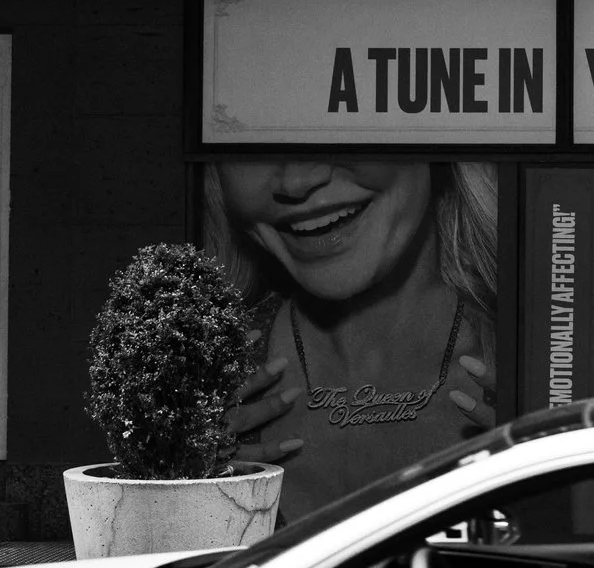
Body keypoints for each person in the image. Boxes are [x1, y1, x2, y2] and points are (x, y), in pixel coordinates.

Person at [205, 158, 499, 518]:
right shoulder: (201, 382)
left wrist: (567, 478)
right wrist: (178, 487)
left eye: (338, 131)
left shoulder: (557, 360)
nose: (297, 181)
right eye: (253, 147)